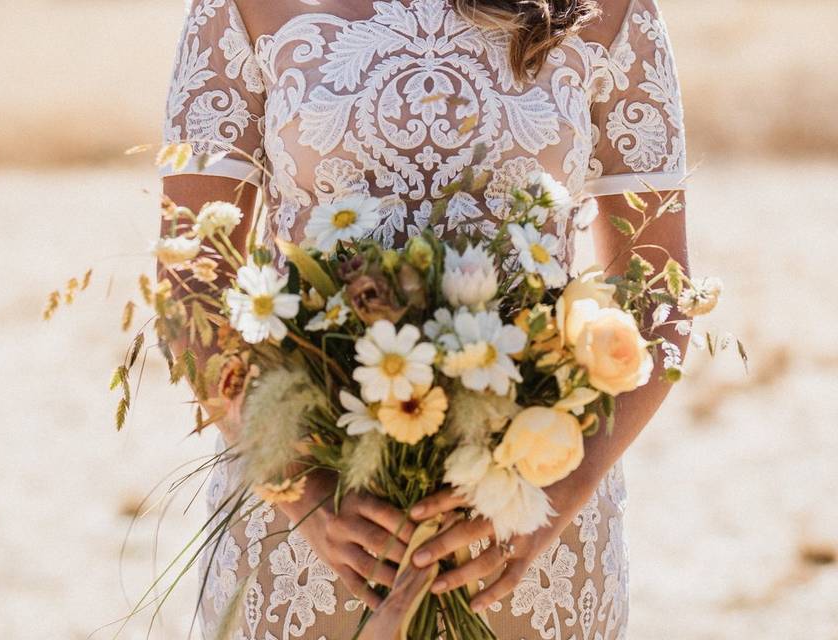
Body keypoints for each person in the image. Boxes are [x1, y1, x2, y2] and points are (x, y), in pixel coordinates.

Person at [160, 0, 689, 637]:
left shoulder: (609, 10)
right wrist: (301, 491)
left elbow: (661, 297)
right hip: (317, 528)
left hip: (529, 531)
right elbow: (189, 289)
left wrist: (551, 501)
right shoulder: (240, 8)